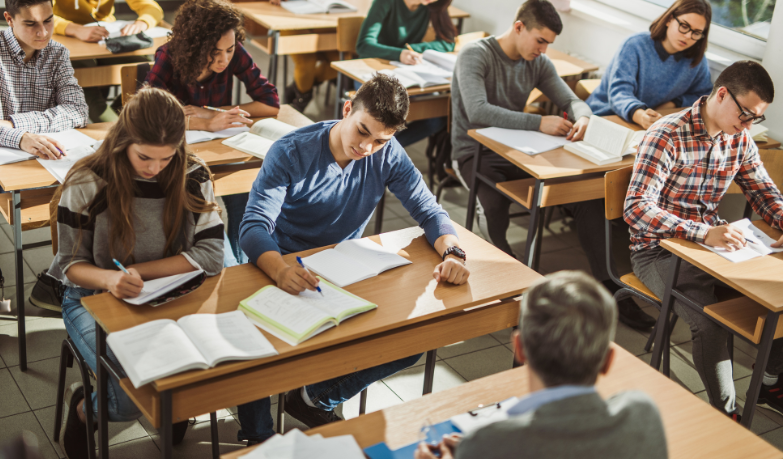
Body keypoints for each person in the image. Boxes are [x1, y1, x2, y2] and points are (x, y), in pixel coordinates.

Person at [236, 73, 470, 443]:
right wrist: (279, 269)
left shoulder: (387, 152)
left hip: (343, 271)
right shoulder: (291, 151)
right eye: (362, 131)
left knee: (412, 340)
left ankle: (314, 397)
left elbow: (429, 210)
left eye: (380, 140)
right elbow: (253, 226)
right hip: (280, 264)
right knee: (258, 348)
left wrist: (453, 252)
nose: (367, 147)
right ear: (347, 109)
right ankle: (257, 436)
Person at [451, 0, 656, 331]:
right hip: (474, 152)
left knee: (587, 198)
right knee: (494, 206)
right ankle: (512, 289)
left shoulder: (538, 61)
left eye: (548, 43)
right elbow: (478, 111)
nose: (544, 49)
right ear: (519, 27)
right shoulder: (476, 54)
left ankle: (609, 285)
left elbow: (573, 101)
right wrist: (538, 122)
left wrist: (583, 118)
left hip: (522, 152)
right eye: (540, 40)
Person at [53, 88, 225, 458]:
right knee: (134, 396)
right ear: (123, 141)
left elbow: (212, 256)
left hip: (170, 295)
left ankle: (171, 405)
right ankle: (85, 408)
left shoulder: (192, 173)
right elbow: (69, 265)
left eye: (167, 157)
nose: (154, 168)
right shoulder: (87, 181)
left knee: (200, 373)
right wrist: (110, 279)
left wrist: (137, 272)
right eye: (144, 156)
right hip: (92, 298)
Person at [625, 61, 783, 419]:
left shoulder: (738, 137)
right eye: (745, 114)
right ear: (722, 94)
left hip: (714, 248)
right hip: (657, 251)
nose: (748, 125)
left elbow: (764, 192)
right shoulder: (668, 134)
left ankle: (769, 383)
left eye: (755, 118)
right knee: (710, 323)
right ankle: (727, 417)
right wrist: (703, 232)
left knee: (779, 300)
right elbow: (636, 208)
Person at [414, 271, 668, 459]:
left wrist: (478, 449)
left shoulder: (488, 444)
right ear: (608, 360)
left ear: (520, 348)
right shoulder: (643, 413)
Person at [0, 0, 88, 313]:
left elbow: (78, 111)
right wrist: (20, 139)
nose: (43, 32)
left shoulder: (57, 52)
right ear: (9, 18)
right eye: (31, 24)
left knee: (103, 193)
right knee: (82, 202)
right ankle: (63, 282)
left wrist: (12, 124)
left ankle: (68, 280)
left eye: (48, 21)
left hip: (51, 159)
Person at [146, 0, 280, 265]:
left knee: (245, 194)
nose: (224, 60)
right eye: (214, 52)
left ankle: (241, 267)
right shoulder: (169, 55)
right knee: (202, 208)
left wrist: (212, 113)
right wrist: (204, 123)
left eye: (229, 50)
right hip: (179, 157)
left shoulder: (233, 50)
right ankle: (225, 264)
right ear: (195, 46)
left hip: (222, 149)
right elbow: (148, 112)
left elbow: (270, 103)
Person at [586, 0, 713, 129]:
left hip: (643, 125)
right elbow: (619, 93)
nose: (688, 36)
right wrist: (640, 115)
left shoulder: (697, 60)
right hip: (602, 117)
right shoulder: (635, 45)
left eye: (696, 33)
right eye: (684, 26)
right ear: (669, 19)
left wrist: (673, 103)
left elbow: (704, 97)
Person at [355, 0, 457, 147]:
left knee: (438, 115)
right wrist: (399, 54)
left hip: (407, 72)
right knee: (382, 113)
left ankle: (386, 149)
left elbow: (448, 41)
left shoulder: (432, 5)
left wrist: (413, 49)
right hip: (372, 71)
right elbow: (364, 45)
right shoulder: (386, 2)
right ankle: (378, 148)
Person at [51, 0, 164, 121]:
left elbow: (152, 7)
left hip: (105, 38)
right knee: (83, 78)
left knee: (147, 70)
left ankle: (118, 122)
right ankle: (115, 126)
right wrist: (75, 29)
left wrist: (142, 23)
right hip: (66, 39)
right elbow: (39, 15)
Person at [267, 0, 339, 113]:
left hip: (325, 15)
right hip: (289, 16)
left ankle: (300, 86)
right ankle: (303, 96)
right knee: (307, 62)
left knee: (342, 60)